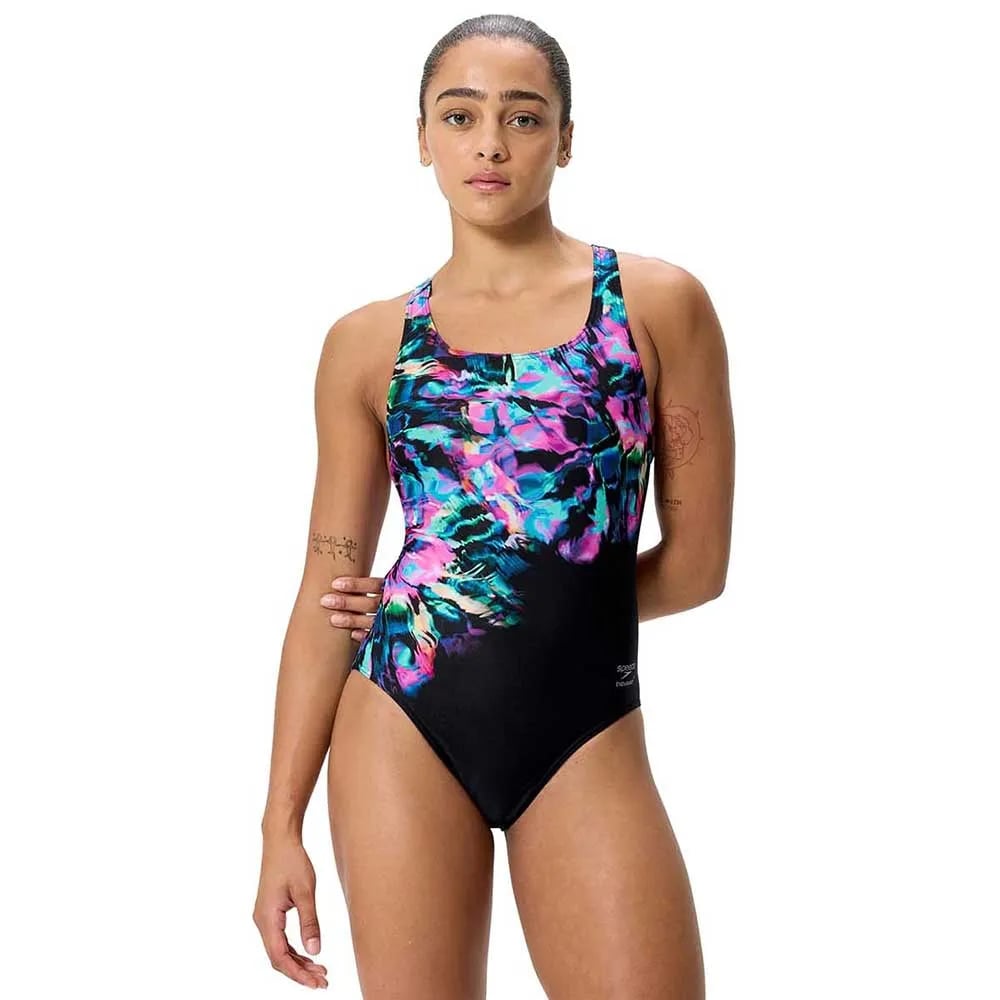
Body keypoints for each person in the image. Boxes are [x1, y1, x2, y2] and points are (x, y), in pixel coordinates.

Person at [254, 14, 734, 998]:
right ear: (421, 137)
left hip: (587, 728)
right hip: (400, 720)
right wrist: (278, 825)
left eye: (522, 117)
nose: (489, 144)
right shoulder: (369, 343)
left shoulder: (655, 305)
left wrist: (504, 605)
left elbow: (697, 568)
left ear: (565, 138)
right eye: (460, 115)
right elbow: (326, 587)